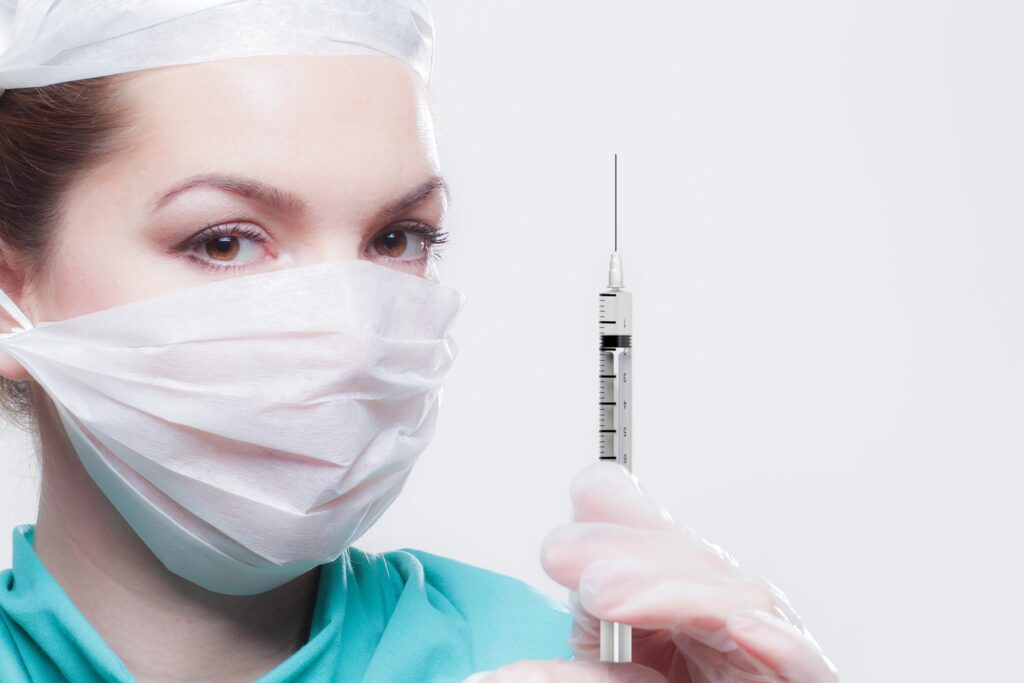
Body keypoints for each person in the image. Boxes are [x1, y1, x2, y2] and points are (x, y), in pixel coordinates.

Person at [0, 2, 838, 682]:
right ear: (10, 302)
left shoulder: (553, 662)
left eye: (398, 239)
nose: (350, 333)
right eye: (225, 240)